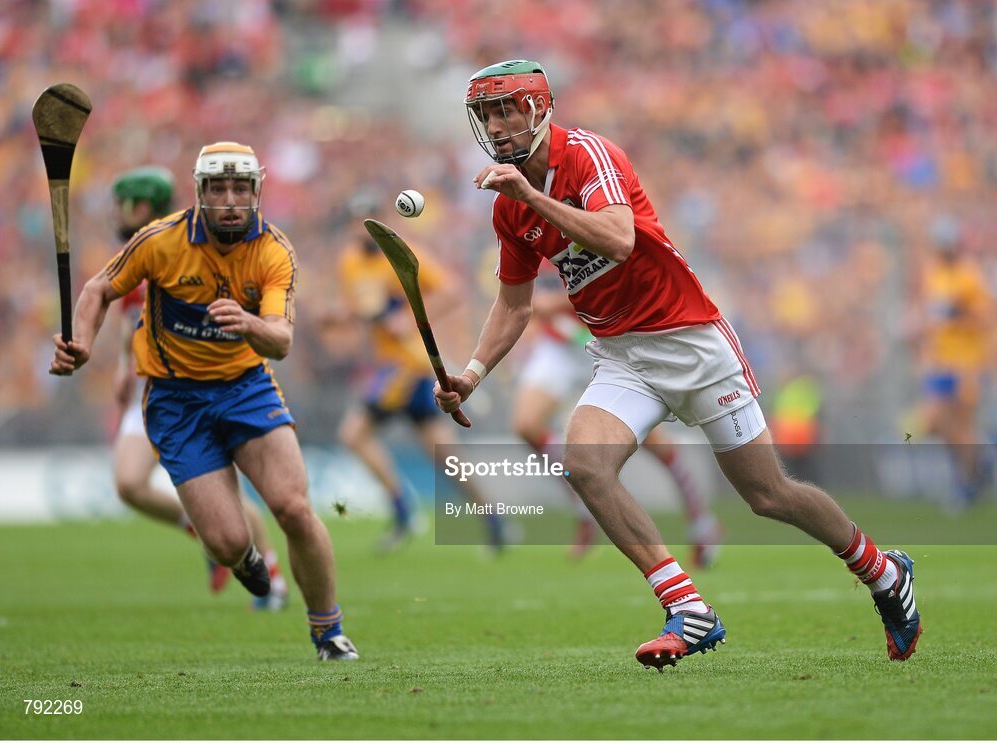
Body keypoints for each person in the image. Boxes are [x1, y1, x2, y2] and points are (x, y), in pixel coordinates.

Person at [436, 61, 921, 668]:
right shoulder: (507, 207)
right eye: (487, 114)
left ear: (540, 110)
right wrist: (473, 374)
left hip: (690, 342)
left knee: (769, 495)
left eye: (509, 108)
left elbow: (618, 239)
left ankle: (882, 571)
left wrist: (531, 196)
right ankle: (689, 609)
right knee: (587, 465)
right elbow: (513, 303)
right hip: (621, 355)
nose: (498, 124)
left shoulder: (587, 156)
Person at [51, 142, 357, 661]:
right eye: (219, 188)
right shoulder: (161, 239)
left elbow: (280, 341)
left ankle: (328, 631)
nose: (231, 200)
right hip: (175, 400)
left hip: (246, 387)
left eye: (241, 188)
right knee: (225, 542)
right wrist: (81, 343)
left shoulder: (273, 250)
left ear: (257, 192)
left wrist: (250, 323)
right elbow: (98, 289)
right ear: (199, 192)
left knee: (293, 507)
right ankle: (243, 562)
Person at [109, 166, 288, 609]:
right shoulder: (142, 248)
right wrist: (119, 367)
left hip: (200, 388)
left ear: (144, 205)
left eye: (123, 203)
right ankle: (205, 532)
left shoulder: (179, 247)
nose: (116, 212)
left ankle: (270, 570)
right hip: (149, 388)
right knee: (129, 484)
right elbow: (127, 321)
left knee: (230, 492)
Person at [513, 266, 721, 563]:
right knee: (526, 424)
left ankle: (701, 521)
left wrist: (556, 303)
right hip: (559, 344)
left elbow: (616, 270)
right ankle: (584, 508)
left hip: (604, 339)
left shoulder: (588, 221)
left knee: (652, 441)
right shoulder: (526, 230)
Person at [336, 209, 505, 551]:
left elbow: (450, 290)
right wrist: (342, 316)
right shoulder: (349, 263)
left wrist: (404, 318)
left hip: (405, 365)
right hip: (392, 364)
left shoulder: (402, 253)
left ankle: (403, 510)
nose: (362, 226)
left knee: (353, 434)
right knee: (444, 454)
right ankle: (493, 520)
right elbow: (368, 309)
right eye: (355, 218)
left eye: (368, 217)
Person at [914, 215, 993, 508]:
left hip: (965, 362)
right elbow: (930, 316)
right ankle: (978, 464)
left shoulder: (969, 274)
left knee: (963, 425)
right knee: (935, 421)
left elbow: (984, 316)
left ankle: (967, 482)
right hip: (941, 361)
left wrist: (957, 315)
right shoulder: (933, 273)